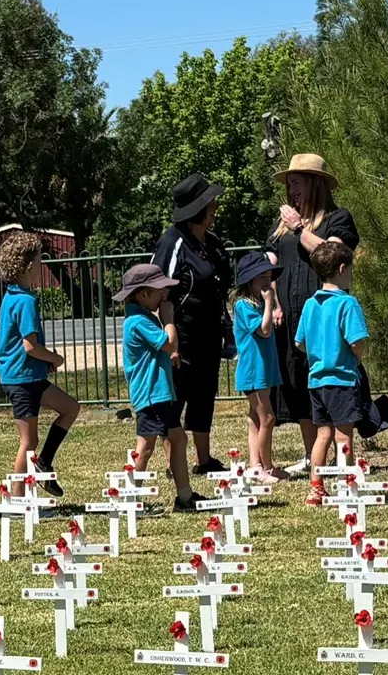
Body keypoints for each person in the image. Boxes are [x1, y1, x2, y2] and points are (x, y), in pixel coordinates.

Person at [267, 153, 362, 468]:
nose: (291, 190)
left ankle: (340, 454)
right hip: (291, 317)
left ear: (315, 184)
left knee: (329, 381)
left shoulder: (338, 219)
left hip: (326, 319)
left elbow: (328, 256)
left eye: (297, 183)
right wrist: (272, 300)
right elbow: (268, 263)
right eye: (289, 184)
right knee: (297, 384)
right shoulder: (282, 225)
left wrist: (298, 230)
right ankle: (312, 455)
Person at [151, 173, 233, 476]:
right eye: (210, 203)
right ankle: (175, 463)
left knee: (204, 396)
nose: (215, 207)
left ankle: (203, 459)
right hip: (181, 335)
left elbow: (219, 285)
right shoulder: (172, 242)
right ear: (197, 208)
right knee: (176, 399)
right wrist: (168, 337)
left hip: (209, 334)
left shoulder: (212, 242)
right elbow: (159, 292)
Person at [0, 230, 76, 494]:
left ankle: (44, 463)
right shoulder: (25, 301)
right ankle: (18, 497)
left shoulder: (11, 296)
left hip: (30, 375)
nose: (42, 266)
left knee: (70, 408)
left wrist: (44, 363)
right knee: (28, 441)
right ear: (29, 265)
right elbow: (29, 346)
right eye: (41, 260)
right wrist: (54, 357)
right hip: (21, 378)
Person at [293, 236, 370, 488]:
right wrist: (355, 359)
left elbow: (299, 343)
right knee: (343, 435)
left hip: (316, 380)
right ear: (342, 269)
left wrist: (318, 353)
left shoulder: (309, 304)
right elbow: (357, 342)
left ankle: (316, 486)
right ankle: (346, 483)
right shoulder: (348, 303)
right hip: (342, 378)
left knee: (322, 434)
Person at [116, 262, 191, 507]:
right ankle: (132, 498)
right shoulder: (138, 321)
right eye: (160, 291)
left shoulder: (142, 317)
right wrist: (168, 319)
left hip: (158, 393)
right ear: (143, 294)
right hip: (151, 394)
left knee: (177, 439)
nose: (164, 295)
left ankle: (185, 496)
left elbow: (161, 349)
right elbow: (169, 343)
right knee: (146, 445)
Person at [231, 252, 284, 481]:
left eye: (268, 276)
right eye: (261, 277)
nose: (266, 281)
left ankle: (255, 465)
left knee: (255, 417)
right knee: (268, 418)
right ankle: (266, 467)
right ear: (249, 280)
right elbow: (263, 331)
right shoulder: (244, 305)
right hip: (254, 371)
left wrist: (268, 304)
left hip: (264, 369)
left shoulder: (258, 303)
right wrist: (270, 303)